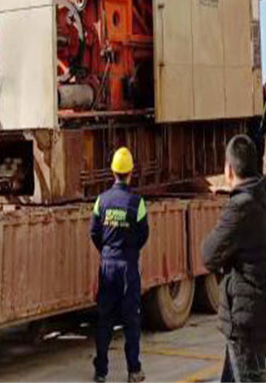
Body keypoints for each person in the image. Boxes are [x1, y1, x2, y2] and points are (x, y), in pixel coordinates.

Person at [202, 134, 266, 382]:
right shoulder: (260, 196)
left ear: (228, 169)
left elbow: (208, 254)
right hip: (257, 312)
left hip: (246, 320)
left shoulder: (240, 207)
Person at [90, 146, 149, 383]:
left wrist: (107, 251)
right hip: (128, 268)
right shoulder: (137, 202)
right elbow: (144, 234)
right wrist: (130, 251)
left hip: (108, 265)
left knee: (104, 319)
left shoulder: (101, 201)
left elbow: (94, 232)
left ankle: (101, 371)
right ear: (130, 173)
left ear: (113, 172)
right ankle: (133, 371)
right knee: (131, 321)